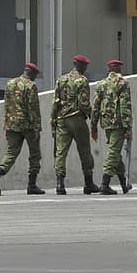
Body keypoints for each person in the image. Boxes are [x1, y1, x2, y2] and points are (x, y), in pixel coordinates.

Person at [0, 63, 45, 196]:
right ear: (31, 73)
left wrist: (6, 125)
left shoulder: (10, 83)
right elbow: (33, 109)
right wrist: (37, 128)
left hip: (12, 124)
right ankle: (32, 185)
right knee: (35, 154)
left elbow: (7, 105)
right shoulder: (31, 86)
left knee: (11, 153)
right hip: (28, 125)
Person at [51, 55, 100, 195]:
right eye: (85, 66)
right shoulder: (82, 80)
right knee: (84, 150)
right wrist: (92, 116)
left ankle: (60, 184)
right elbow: (84, 103)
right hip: (77, 119)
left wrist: (53, 120)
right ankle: (88, 183)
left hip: (62, 120)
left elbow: (55, 102)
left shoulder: (61, 79)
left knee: (61, 152)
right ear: (82, 66)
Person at [92, 59, 133, 194]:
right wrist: (127, 127)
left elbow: (96, 107)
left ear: (109, 69)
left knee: (116, 153)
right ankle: (105, 184)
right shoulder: (122, 83)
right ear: (119, 69)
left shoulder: (101, 84)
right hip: (119, 123)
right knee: (114, 152)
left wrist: (93, 127)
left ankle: (123, 184)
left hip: (106, 123)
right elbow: (124, 106)